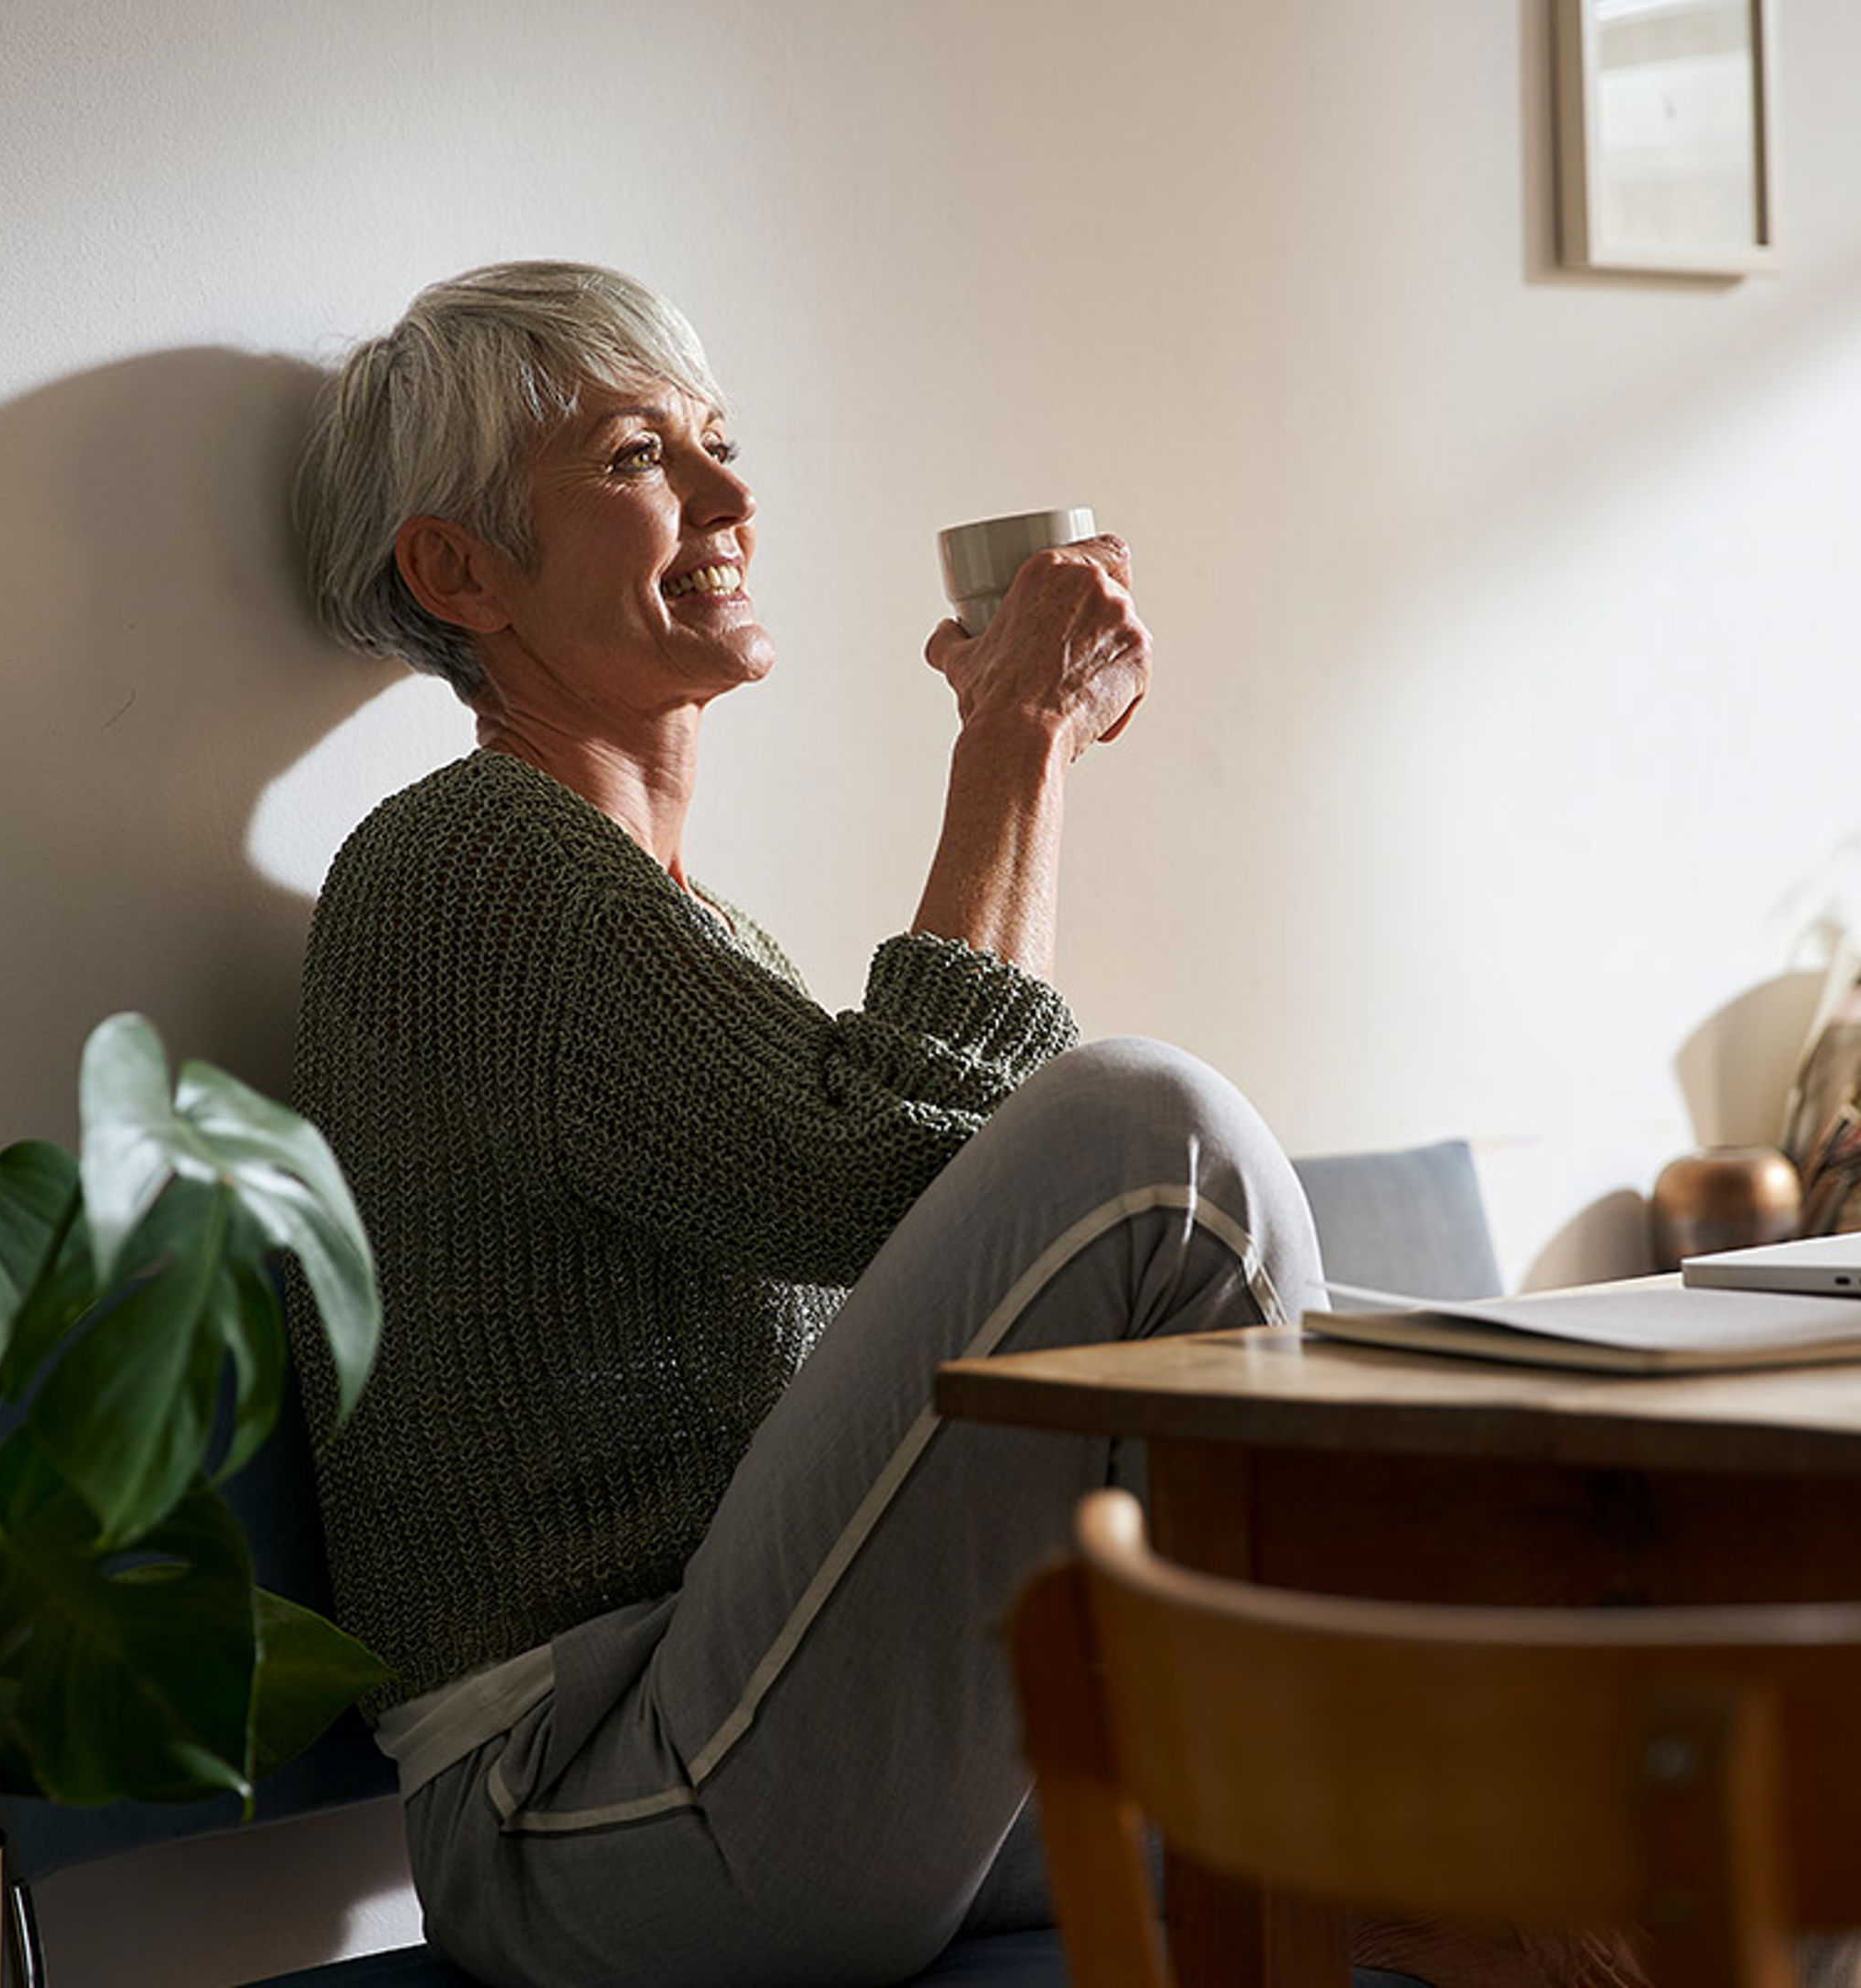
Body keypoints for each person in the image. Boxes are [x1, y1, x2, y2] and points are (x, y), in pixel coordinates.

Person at [283, 261, 1326, 1988]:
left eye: (722, 445)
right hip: (592, 1816)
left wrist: (1026, 740)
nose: (731, 497)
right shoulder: (462, 869)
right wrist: (1018, 733)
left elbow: (910, 1180)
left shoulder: (685, 928)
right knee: (1160, 1132)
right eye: (637, 460)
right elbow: (898, 1165)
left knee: (1686, 1799)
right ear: (456, 570)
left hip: (785, 1738)